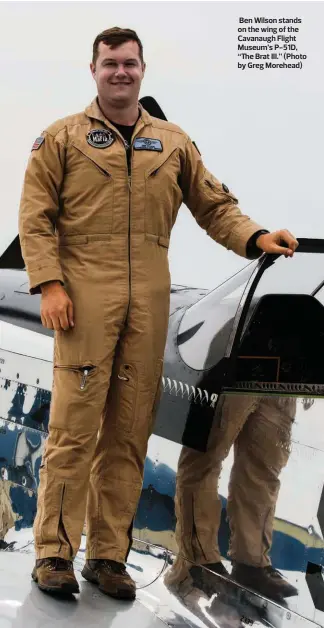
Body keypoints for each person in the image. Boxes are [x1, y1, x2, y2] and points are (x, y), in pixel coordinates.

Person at [18, 26, 299, 600]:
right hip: (84, 303)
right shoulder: (62, 139)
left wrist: (256, 238)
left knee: (129, 435)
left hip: (149, 303)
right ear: (93, 70)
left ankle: (106, 556)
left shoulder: (172, 143)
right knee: (73, 433)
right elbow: (35, 217)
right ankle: (53, 552)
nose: (120, 73)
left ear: (142, 69)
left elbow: (215, 206)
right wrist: (49, 284)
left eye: (129, 64)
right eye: (109, 64)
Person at [165, 395, 298, 601]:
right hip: (232, 367)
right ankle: (197, 561)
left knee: (263, 471)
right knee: (204, 456)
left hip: (285, 376)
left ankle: (251, 564)